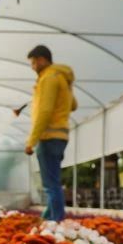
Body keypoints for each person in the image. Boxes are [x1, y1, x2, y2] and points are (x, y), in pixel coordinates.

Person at [24, 45, 77, 222]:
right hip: (60, 136)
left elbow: (45, 111)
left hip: (48, 136)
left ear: (42, 60)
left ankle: (55, 222)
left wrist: (31, 141)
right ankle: (47, 217)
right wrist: (67, 90)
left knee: (50, 184)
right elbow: (73, 105)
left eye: (33, 62)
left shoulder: (48, 78)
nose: (32, 66)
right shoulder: (61, 78)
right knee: (53, 181)